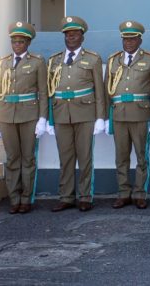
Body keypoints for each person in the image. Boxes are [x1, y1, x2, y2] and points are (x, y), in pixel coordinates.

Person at [47, 16, 106, 212]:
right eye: (67, 34)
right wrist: (48, 118)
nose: (71, 37)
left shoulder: (93, 59)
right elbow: (49, 91)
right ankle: (66, 196)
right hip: (61, 113)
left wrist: (100, 117)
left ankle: (86, 196)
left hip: (85, 113)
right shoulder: (54, 60)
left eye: (75, 34)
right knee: (65, 158)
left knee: (85, 157)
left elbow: (99, 91)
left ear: (82, 37)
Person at [0, 22, 48, 214]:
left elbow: (43, 92)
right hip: (6, 115)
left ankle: (26, 198)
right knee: (12, 158)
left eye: (21, 42)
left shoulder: (37, 62)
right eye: (14, 41)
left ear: (28, 43)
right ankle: (14, 198)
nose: (17, 45)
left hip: (29, 115)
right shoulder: (2, 63)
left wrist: (43, 118)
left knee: (28, 158)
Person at [104, 21, 150, 210]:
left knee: (142, 156)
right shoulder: (113, 60)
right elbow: (106, 90)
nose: (128, 42)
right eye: (125, 39)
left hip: (141, 114)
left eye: (132, 39)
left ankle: (140, 193)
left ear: (140, 40)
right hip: (118, 115)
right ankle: (123, 193)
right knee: (121, 157)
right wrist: (105, 117)